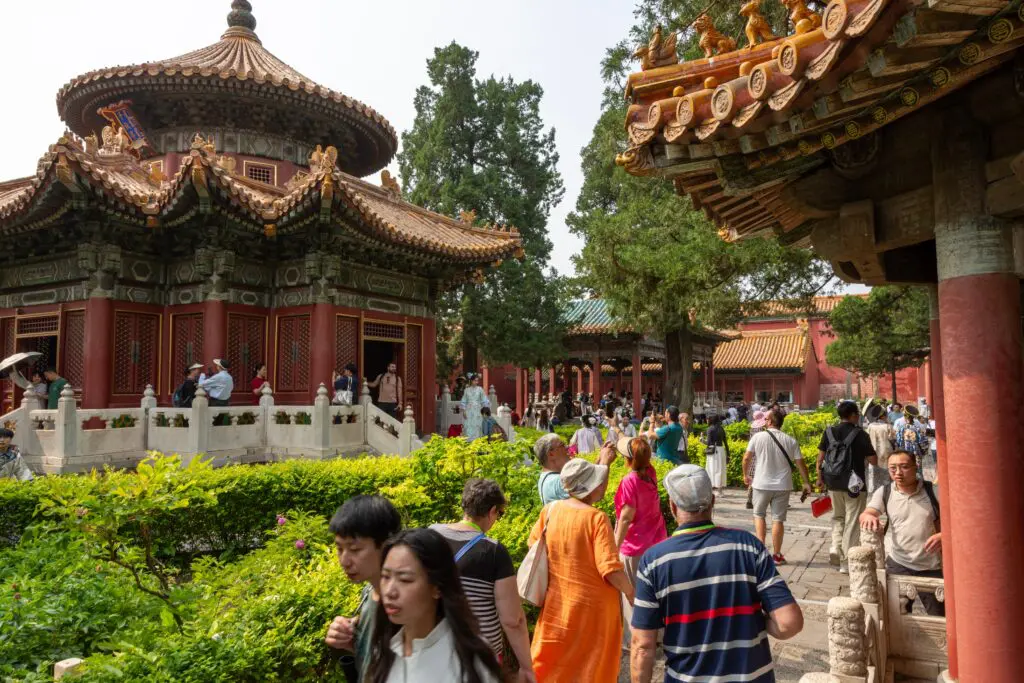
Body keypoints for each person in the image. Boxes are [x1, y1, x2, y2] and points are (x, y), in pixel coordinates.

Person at [630, 465, 803, 683]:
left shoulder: (654, 561)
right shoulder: (749, 546)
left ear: (673, 507)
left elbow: (643, 646)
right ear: (712, 502)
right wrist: (756, 620)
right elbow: (789, 624)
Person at [529, 458, 635, 682]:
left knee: (555, 665)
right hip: (594, 611)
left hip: (557, 604)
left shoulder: (549, 511)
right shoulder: (596, 518)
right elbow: (609, 568)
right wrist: (631, 592)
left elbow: (534, 546)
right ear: (590, 487)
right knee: (591, 667)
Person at [365, 528, 504, 683]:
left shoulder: (471, 658)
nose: (390, 591)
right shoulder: (384, 651)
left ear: (437, 587)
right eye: (385, 577)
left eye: (405, 580)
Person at [430, 479, 535, 682]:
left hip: (436, 648)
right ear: (492, 510)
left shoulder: (431, 534)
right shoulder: (493, 551)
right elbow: (512, 620)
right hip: (479, 656)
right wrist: (526, 667)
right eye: (499, 514)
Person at [325, 495, 403, 681]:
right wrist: (352, 640)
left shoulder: (405, 604)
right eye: (339, 549)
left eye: (354, 549)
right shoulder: (369, 591)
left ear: (386, 545)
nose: (344, 561)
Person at [859, 451, 944, 616]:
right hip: (899, 563)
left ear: (915, 467)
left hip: (931, 565)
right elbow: (867, 512)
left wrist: (943, 536)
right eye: (893, 468)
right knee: (895, 615)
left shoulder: (933, 491)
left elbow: (959, 520)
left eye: (904, 467)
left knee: (940, 616)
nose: (898, 473)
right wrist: (868, 517)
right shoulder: (885, 492)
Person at [613, 437, 667, 649]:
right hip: (657, 539)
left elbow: (626, 517)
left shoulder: (629, 480)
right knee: (656, 591)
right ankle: (660, 634)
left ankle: (636, 640)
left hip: (635, 546)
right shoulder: (650, 472)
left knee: (633, 594)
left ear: (627, 459)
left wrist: (613, 547)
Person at [743, 409, 813, 565]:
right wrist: (806, 482)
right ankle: (777, 555)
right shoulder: (791, 440)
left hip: (761, 484)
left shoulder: (758, 437)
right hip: (783, 485)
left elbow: (747, 458)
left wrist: (745, 475)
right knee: (778, 520)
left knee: (759, 515)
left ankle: (761, 552)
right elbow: (800, 464)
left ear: (769, 421)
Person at [816, 401, 877, 573]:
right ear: (852, 415)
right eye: (856, 414)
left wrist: (819, 479)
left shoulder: (829, 432)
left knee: (838, 517)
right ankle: (845, 562)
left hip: (833, 481)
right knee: (852, 522)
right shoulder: (860, 434)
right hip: (855, 485)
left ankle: (835, 546)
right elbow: (873, 460)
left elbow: (820, 459)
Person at [533, 433, 616, 505]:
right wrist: (605, 461)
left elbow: (588, 480)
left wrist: (601, 457)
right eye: (562, 445)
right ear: (551, 454)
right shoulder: (558, 482)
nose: (567, 447)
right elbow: (596, 493)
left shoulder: (548, 478)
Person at [864, 403, 894, 492]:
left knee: (873, 469)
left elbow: (867, 437)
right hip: (885, 450)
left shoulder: (870, 426)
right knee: (885, 469)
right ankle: (886, 487)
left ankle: (874, 488)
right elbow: (892, 437)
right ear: (883, 417)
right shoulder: (887, 426)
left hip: (872, 450)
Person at [893, 404, 929, 472]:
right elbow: (924, 444)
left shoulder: (900, 429)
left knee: (905, 471)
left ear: (905, 417)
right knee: (917, 472)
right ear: (913, 417)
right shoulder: (918, 429)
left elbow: (897, 442)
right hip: (916, 455)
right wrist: (923, 453)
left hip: (903, 454)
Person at [459, 373, 489, 441]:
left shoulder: (480, 389)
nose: (476, 382)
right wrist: (463, 411)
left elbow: (484, 400)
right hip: (468, 410)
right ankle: (468, 441)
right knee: (468, 425)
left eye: (477, 381)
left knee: (477, 426)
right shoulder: (466, 390)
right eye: (475, 380)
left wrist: (484, 410)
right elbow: (463, 401)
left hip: (478, 410)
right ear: (471, 381)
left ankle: (477, 441)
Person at [704, 414, 729, 492]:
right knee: (720, 469)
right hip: (721, 450)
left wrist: (701, 440)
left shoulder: (710, 429)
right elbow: (725, 442)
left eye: (708, 419)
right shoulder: (721, 429)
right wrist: (728, 454)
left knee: (712, 469)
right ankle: (720, 490)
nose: (707, 420)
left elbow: (708, 443)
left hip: (713, 451)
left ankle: (711, 489)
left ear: (711, 420)